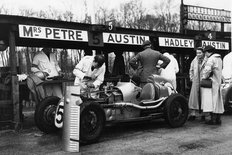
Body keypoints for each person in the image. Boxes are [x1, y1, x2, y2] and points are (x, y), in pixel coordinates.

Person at [200, 45, 224, 125]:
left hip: (212, 83)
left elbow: (206, 71)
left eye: (205, 52)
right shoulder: (219, 59)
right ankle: (218, 119)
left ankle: (213, 120)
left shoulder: (211, 59)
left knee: (211, 101)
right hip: (218, 81)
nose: (205, 54)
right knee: (218, 101)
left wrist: (204, 77)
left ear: (207, 52)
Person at [188, 47, 205, 121]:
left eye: (199, 53)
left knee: (203, 98)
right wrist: (192, 78)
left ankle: (203, 114)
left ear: (203, 53)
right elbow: (191, 70)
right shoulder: (194, 61)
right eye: (197, 53)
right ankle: (193, 114)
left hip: (204, 82)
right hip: (195, 81)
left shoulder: (206, 60)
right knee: (194, 98)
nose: (198, 54)